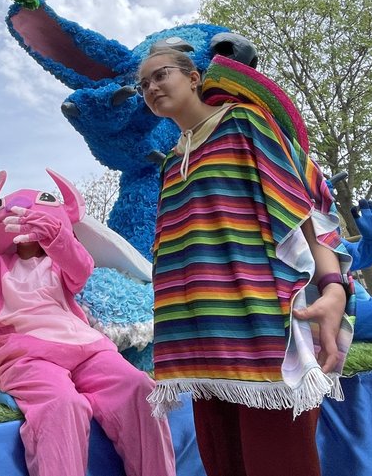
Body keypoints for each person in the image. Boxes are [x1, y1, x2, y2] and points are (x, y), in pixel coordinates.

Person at [137, 45, 352, 476]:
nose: (151, 88)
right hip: (197, 337)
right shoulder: (172, 162)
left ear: (194, 78)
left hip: (261, 326)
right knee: (224, 463)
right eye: (143, 84)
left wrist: (334, 288)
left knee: (279, 463)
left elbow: (304, 207)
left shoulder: (242, 122)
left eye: (161, 75)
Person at [0, 169, 175, 476]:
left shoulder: (60, 261)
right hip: (29, 357)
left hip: (88, 350)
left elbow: (81, 269)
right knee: (62, 405)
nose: (25, 213)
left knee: (139, 388)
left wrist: (58, 239)